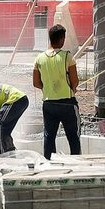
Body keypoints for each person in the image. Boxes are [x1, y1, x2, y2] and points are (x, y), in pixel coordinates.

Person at [32, 23, 82, 158]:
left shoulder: (39, 58)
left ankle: (48, 162)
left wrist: (48, 88)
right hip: (67, 103)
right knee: (73, 136)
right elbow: (75, 80)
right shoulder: (67, 56)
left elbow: (36, 83)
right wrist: (72, 87)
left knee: (49, 135)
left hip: (48, 103)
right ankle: (76, 161)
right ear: (62, 39)